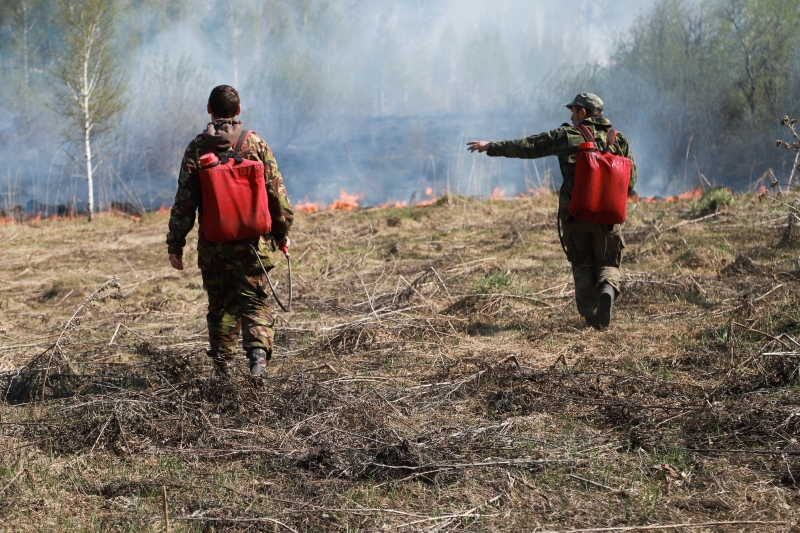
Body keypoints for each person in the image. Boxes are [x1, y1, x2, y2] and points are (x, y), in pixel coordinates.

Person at [467, 93, 637, 328]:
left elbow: (531, 146)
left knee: (582, 264)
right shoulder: (618, 139)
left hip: (575, 216)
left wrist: (491, 146)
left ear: (583, 113)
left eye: (573, 111)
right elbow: (631, 181)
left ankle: (591, 316)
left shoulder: (568, 136)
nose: (571, 117)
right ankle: (607, 288)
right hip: (608, 218)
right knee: (608, 262)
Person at [167, 85, 293, 376]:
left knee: (221, 307)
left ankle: (222, 371)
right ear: (238, 110)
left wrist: (175, 244)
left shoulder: (197, 148)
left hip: (215, 248)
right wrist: (281, 235)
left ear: (209, 110)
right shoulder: (256, 144)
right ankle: (257, 360)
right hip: (254, 246)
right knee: (255, 303)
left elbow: (184, 203)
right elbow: (278, 197)